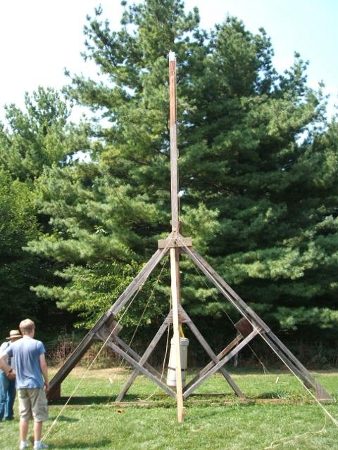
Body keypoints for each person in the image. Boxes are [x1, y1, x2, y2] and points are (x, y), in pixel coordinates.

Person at [0, 319, 49, 450]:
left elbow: (0, 358)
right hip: (35, 384)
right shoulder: (38, 344)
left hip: (20, 385)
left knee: (24, 415)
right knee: (38, 415)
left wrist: (9, 370)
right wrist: (47, 381)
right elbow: (43, 365)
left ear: (21, 331)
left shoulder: (14, 345)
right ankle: (38, 444)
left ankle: (23, 443)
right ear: (33, 329)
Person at [0, 329, 22, 420]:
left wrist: (15, 373)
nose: (16, 340)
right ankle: (0, 415)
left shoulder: (20, 347)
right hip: (3, 372)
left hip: (15, 373)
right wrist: (7, 372)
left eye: (17, 338)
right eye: (14, 338)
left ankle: (9, 415)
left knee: (12, 395)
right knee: (2, 395)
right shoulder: (4, 345)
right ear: (11, 338)